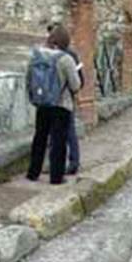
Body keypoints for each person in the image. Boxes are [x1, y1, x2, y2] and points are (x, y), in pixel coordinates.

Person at [26, 24, 81, 185]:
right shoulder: (66, 59)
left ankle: (33, 172)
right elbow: (75, 85)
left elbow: (29, 78)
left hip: (42, 103)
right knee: (58, 141)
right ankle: (56, 177)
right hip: (61, 104)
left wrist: (33, 96)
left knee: (39, 138)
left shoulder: (36, 55)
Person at [47, 22, 84, 175]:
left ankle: (53, 164)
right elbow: (77, 83)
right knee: (69, 132)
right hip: (64, 101)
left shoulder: (44, 55)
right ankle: (72, 163)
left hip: (47, 101)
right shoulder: (70, 56)